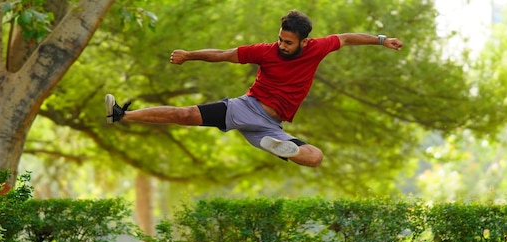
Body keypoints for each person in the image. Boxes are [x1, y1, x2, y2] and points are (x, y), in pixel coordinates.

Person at [105, 10, 403, 167]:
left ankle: (280, 149)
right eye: (280, 39)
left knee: (315, 157)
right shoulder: (264, 51)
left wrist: (380, 39)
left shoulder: (318, 48)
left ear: (304, 41)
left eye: (288, 42)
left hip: (270, 127)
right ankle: (122, 115)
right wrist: (189, 55)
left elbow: (348, 38)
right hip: (245, 107)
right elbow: (222, 54)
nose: (282, 46)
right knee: (185, 114)